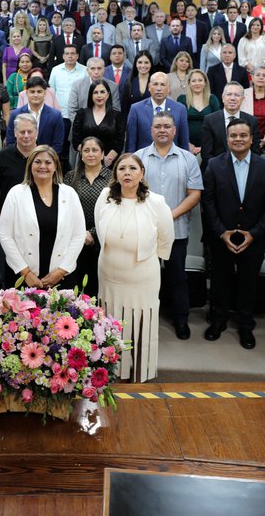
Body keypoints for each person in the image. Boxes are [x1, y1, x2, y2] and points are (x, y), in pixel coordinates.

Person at [94, 153, 174, 382]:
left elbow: (166, 237)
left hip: (142, 277)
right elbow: (100, 228)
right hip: (109, 273)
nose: (127, 173)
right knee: (112, 320)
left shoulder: (156, 202)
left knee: (140, 322)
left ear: (142, 173)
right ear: (115, 174)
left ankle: (139, 370)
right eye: (121, 168)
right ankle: (111, 368)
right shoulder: (105, 196)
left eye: (132, 168)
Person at [202, 120, 265, 348]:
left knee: (248, 284)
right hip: (221, 237)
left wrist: (253, 233)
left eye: (243, 135)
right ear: (227, 139)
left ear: (252, 138)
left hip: (254, 237)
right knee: (219, 282)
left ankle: (246, 325)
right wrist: (221, 232)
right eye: (233, 135)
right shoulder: (214, 165)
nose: (238, 139)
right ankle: (219, 320)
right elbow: (208, 203)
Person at [135, 113, 203, 341]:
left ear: (175, 130)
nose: (162, 130)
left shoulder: (187, 159)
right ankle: (144, 320)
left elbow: (194, 194)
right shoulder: (138, 158)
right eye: (157, 126)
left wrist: (167, 216)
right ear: (151, 130)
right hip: (145, 231)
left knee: (177, 277)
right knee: (144, 278)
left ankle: (181, 320)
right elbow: (130, 193)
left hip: (177, 230)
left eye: (167, 126)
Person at [0, 146, 86, 288]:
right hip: (23, 277)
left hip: (61, 277)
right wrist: (26, 272)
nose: (42, 166)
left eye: (48, 162)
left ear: (55, 166)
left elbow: (78, 235)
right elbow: (5, 235)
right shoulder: (16, 193)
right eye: (37, 162)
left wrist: (61, 271)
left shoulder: (69, 194)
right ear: (30, 165)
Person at [65, 136, 111, 297]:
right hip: (75, 238)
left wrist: (93, 233)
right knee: (76, 284)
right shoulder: (70, 177)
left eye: (95, 150)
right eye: (86, 150)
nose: (90, 154)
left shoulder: (112, 179)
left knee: (98, 285)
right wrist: (81, 234)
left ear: (103, 153)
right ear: (81, 154)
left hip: (104, 239)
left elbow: (114, 210)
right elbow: (65, 208)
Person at [126, 72, 190, 153]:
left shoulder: (180, 109)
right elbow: (131, 144)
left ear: (169, 88)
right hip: (143, 161)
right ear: (149, 87)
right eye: (155, 84)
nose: (159, 88)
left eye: (162, 85)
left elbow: (184, 142)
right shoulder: (136, 109)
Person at [201, 82, 260, 161]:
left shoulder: (252, 121)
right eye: (229, 94)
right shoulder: (209, 120)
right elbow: (206, 153)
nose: (232, 98)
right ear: (222, 98)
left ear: (243, 99)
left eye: (237, 95)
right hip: (217, 169)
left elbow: (255, 152)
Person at [5, 77, 65, 152]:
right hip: (20, 160)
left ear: (45, 93)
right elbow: (10, 142)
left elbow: (58, 144)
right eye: (32, 92)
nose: (36, 95)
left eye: (39, 92)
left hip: (46, 160)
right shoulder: (15, 114)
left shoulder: (56, 116)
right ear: (27, 93)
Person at [178, 69, 219, 157]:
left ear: (205, 83)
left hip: (210, 146)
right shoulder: (182, 99)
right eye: (193, 81)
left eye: (200, 80)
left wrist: (204, 147)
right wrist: (187, 143)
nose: (197, 83)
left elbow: (218, 124)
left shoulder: (212, 99)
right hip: (186, 147)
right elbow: (178, 124)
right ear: (189, 83)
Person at [120, 51, 155, 120]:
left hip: (153, 123)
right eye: (140, 62)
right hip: (133, 122)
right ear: (135, 64)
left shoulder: (156, 82)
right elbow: (124, 108)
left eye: (146, 62)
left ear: (151, 64)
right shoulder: (128, 83)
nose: (143, 65)